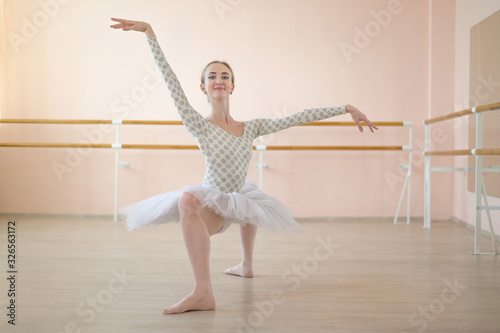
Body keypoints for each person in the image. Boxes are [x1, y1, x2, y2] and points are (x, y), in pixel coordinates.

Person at [110, 17, 378, 315]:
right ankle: (203, 292)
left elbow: (299, 116)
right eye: (212, 77)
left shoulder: (250, 127)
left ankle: (246, 266)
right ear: (203, 87)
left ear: (233, 86)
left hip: (237, 195)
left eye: (225, 76)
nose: (219, 80)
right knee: (187, 200)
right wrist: (150, 33)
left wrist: (346, 108)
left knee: (249, 196)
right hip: (212, 204)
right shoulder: (199, 124)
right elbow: (171, 81)